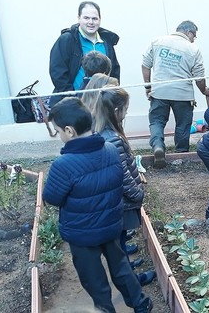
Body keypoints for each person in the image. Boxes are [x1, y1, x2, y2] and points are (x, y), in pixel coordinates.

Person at [42, 97, 152, 313]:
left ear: (69, 131)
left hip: (82, 234)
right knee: (121, 267)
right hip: (111, 225)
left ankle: (106, 310)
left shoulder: (63, 165)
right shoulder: (110, 149)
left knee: (94, 279)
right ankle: (141, 304)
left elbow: (52, 198)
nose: (59, 137)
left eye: (58, 132)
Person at [91, 85, 156, 286]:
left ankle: (127, 272)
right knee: (118, 246)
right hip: (120, 203)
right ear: (116, 111)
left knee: (118, 243)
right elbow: (122, 175)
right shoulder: (113, 139)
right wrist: (137, 193)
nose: (126, 113)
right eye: (125, 109)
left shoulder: (101, 132)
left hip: (111, 201)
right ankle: (130, 281)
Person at [142, 20, 209, 168]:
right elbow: (199, 77)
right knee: (183, 125)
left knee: (156, 122)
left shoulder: (157, 41)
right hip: (183, 95)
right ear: (189, 32)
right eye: (194, 35)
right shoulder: (193, 49)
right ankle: (180, 154)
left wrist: (148, 86)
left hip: (159, 92)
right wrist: (203, 90)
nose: (194, 39)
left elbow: (145, 64)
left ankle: (158, 146)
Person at [49, 1, 120, 106]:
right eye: (86, 18)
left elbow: (114, 70)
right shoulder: (67, 39)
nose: (90, 22)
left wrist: (113, 95)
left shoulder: (106, 42)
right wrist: (71, 99)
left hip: (102, 104)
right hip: (75, 103)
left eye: (94, 18)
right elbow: (57, 72)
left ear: (100, 19)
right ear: (78, 18)